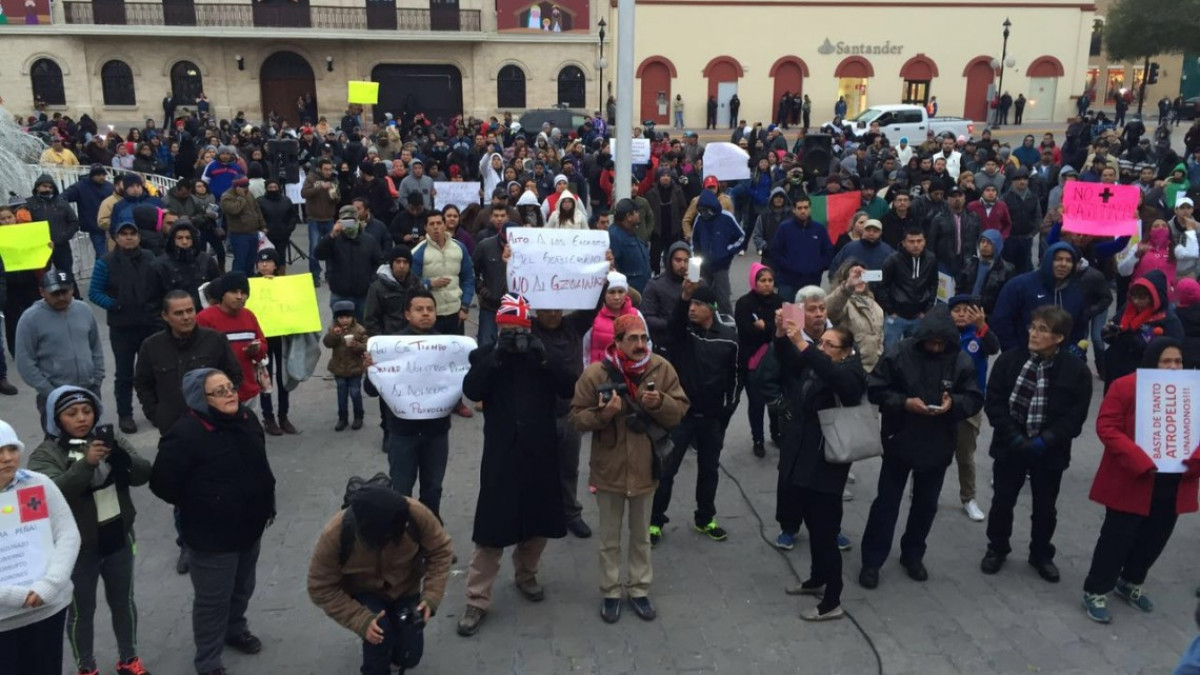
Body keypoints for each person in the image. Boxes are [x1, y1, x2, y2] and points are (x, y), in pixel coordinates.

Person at [456, 294, 577, 636]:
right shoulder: (484, 355)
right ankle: (476, 599)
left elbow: (568, 385)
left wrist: (543, 357)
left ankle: (527, 574)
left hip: (540, 452)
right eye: (508, 329)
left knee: (538, 522)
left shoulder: (540, 354)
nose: (514, 335)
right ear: (498, 327)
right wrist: (495, 356)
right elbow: (471, 389)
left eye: (519, 327)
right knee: (491, 531)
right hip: (501, 455)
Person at [150, 368, 276, 675]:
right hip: (211, 536)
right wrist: (202, 504)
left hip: (251, 525)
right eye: (219, 391)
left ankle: (236, 629)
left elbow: (260, 464)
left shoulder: (247, 420)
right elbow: (162, 483)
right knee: (212, 600)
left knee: (243, 586)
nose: (230, 394)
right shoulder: (185, 433)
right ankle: (208, 660)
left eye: (230, 387)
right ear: (200, 399)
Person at [570, 314, 689, 623]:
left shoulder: (661, 368)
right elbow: (576, 418)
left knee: (640, 536)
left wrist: (659, 402)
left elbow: (679, 411)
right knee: (609, 538)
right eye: (633, 339)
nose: (640, 345)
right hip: (609, 468)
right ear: (617, 342)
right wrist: (602, 414)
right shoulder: (596, 374)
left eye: (643, 339)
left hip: (646, 468)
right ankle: (610, 592)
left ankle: (639, 589)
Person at [27, 386, 153, 675]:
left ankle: (129, 658)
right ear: (56, 419)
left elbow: (143, 473)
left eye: (87, 411)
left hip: (118, 538)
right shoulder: (45, 454)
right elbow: (51, 494)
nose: (82, 418)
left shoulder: (110, 438)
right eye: (71, 414)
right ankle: (86, 666)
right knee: (81, 613)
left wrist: (123, 459)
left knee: (124, 603)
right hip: (77, 549)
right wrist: (87, 463)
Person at [859, 306, 983, 589]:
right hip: (900, 439)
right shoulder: (899, 353)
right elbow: (876, 389)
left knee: (926, 505)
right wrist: (904, 403)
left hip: (938, 443)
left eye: (941, 343)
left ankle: (913, 554)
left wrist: (954, 405)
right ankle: (872, 560)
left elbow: (974, 397)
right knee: (886, 504)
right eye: (932, 342)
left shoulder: (960, 360)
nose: (936, 347)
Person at [1083, 339, 1199, 624]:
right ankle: (1096, 589)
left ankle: (1131, 581)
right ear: (1151, 361)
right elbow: (1107, 426)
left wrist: (1194, 461)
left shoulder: (1192, 392)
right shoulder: (1126, 386)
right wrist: (1140, 460)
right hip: (1133, 478)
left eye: (1178, 362)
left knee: (1155, 537)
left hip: (1174, 481)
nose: (1173, 367)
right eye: (1166, 361)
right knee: (1117, 536)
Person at [761, 319, 867, 621]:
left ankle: (832, 600)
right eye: (822, 343)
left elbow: (839, 382)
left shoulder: (851, 374)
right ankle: (816, 579)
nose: (823, 349)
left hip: (826, 463)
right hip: (802, 457)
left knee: (825, 532)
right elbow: (792, 361)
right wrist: (781, 335)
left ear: (847, 352)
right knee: (810, 521)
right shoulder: (815, 365)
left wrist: (805, 345)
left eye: (830, 345)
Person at [981, 305, 1093, 582]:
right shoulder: (1009, 360)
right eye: (1033, 327)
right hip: (1011, 445)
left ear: (1059, 337)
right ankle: (997, 548)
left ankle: (1041, 553)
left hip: (1049, 451)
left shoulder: (1076, 370)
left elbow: (1075, 416)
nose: (1034, 333)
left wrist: (1047, 439)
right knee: (1002, 501)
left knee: (1045, 507)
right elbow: (994, 402)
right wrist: (1014, 436)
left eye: (1043, 329)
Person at [306, 484, 453, 675]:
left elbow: (441, 550)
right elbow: (319, 587)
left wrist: (431, 596)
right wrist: (360, 619)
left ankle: (396, 656)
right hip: (364, 590)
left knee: (410, 656)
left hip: (406, 587)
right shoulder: (335, 533)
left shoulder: (415, 514)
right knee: (379, 636)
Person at [650, 283, 739, 545]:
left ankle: (705, 518)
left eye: (698, 305)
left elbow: (735, 376)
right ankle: (655, 521)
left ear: (711, 309)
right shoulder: (683, 334)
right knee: (667, 470)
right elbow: (673, 325)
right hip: (681, 416)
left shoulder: (728, 338)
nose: (692, 309)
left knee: (709, 471)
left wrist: (727, 410)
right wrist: (683, 297)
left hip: (712, 418)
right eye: (691, 304)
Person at [0, 419, 81, 675]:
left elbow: (68, 534)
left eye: (12, 449)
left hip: (46, 608)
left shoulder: (38, 483)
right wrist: (15, 596)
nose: (7, 458)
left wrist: (49, 585)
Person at [370, 290, 453, 518]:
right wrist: (369, 368)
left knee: (433, 490)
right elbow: (371, 390)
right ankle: (403, 543)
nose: (425, 314)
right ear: (407, 314)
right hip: (402, 433)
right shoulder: (391, 346)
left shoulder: (449, 346)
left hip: (436, 432)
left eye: (430, 309)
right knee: (401, 491)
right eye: (419, 309)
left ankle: (431, 541)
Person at [530, 300, 602, 540]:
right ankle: (539, 513)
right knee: (537, 469)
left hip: (570, 413)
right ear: (536, 311)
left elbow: (593, 306)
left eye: (556, 310)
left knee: (569, 468)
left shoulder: (573, 326)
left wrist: (603, 274)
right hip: (538, 416)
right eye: (546, 310)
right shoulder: (528, 329)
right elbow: (508, 304)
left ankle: (571, 513)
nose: (552, 315)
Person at [89, 220, 165, 434]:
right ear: (116, 237)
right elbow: (94, 292)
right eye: (124, 234)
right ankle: (125, 414)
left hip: (150, 323)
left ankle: (155, 410)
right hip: (122, 327)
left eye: (133, 233)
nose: (129, 237)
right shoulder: (106, 262)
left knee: (152, 370)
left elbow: (160, 285)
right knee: (124, 374)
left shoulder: (150, 258)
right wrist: (115, 304)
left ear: (139, 237)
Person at [134, 290, 242, 434]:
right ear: (165, 316)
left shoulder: (215, 340)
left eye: (190, 311)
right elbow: (143, 383)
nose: (186, 317)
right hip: (172, 427)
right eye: (178, 313)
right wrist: (156, 414)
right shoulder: (151, 346)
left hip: (214, 425)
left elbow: (235, 375)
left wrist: (222, 407)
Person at [16, 269, 105, 416]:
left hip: (89, 390)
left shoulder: (84, 310)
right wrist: (50, 392)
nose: (61, 297)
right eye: (55, 294)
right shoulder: (30, 319)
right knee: (58, 438)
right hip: (54, 395)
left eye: (65, 292)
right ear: (42, 292)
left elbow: (95, 347)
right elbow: (25, 362)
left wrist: (97, 378)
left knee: (92, 436)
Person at [945, 295, 1000, 522]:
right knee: (932, 449)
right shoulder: (941, 333)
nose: (960, 314)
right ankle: (919, 487)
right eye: (956, 309)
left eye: (967, 310)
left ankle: (969, 497)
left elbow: (994, 347)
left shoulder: (979, 335)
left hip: (970, 403)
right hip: (942, 399)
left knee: (965, 455)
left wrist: (982, 326)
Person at [992, 242, 1095, 351]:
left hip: (1060, 361)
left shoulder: (1076, 292)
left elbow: (1078, 328)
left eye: (1069, 260)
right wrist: (1013, 351)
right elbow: (1002, 320)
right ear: (1048, 260)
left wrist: (1071, 354)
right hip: (1022, 356)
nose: (1063, 264)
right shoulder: (1020, 285)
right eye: (1058, 259)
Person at [1101, 270, 1183, 391]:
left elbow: (1175, 349)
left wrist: (1144, 344)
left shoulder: (1168, 320)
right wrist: (1108, 333)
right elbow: (1114, 327)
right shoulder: (1127, 309)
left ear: (1155, 297)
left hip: (1145, 378)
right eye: (1133, 296)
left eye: (1142, 297)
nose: (1136, 301)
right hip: (1117, 373)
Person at [196, 272, 267, 409]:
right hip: (219, 396)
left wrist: (257, 349)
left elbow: (263, 346)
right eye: (234, 292)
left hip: (248, 391)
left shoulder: (249, 315)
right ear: (223, 293)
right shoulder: (205, 318)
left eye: (244, 292)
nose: (239, 297)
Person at [412, 209, 475, 338]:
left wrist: (465, 306)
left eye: (439, 223)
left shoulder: (459, 248)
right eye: (432, 224)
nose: (436, 227)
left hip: (455, 313)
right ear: (425, 227)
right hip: (431, 316)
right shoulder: (418, 252)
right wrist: (429, 283)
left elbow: (468, 278)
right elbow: (410, 283)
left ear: (444, 225)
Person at [315, 209, 384, 321]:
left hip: (363, 295)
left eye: (351, 221)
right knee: (340, 331)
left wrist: (371, 281)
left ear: (357, 221)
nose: (348, 225)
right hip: (340, 294)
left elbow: (379, 263)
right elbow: (318, 254)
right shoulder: (333, 239)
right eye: (345, 221)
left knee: (363, 329)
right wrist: (332, 235)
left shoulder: (369, 240)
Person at [878, 226, 939, 349]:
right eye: (911, 241)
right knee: (890, 352)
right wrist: (890, 310)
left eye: (919, 241)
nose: (916, 245)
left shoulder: (931, 259)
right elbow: (881, 286)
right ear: (904, 243)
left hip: (919, 316)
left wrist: (926, 309)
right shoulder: (892, 260)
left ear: (924, 242)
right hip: (896, 316)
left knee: (916, 353)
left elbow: (933, 284)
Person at [690, 190, 745, 314]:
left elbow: (741, 236)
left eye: (707, 209)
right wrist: (696, 259)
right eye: (702, 210)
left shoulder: (726, 217)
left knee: (723, 299)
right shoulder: (699, 220)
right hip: (704, 266)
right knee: (702, 298)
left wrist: (728, 251)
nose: (705, 213)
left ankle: (728, 326)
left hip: (721, 265)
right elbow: (694, 241)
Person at [769, 196, 832, 303]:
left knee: (811, 313)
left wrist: (817, 267)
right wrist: (788, 266)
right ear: (794, 210)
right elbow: (775, 252)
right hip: (788, 282)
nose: (803, 211)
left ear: (810, 209)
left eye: (806, 207)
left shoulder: (819, 229)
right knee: (790, 316)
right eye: (799, 208)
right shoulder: (784, 228)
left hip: (812, 281)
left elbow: (828, 252)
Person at [826, 262, 885, 373]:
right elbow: (830, 310)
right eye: (855, 276)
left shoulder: (875, 306)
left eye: (862, 276)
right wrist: (847, 287)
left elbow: (880, 340)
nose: (859, 280)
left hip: (875, 369)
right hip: (852, 368)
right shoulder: (843, 302)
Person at [156, 219, 221, 310]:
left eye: (188, 238)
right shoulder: (161, 264)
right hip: (174, 314)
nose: (184, 242)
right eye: (179, 238)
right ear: (172, 240)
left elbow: (217, 290)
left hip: (203, 313)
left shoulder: (206, 260)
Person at [26, 173, 80, 281]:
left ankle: (74, 296)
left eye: (50, 187)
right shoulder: (28, 204)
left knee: (66, 275)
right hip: (40, 247)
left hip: (61, 246)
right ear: (37, 187)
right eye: (45, 186)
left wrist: (62, 237)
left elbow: (74, 222)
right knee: (41, 277)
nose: (48, 189)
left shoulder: (62, 203)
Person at [324, 300, 368, 431]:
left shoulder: (359, 330)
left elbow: (366, 347)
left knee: (355, 393)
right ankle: (342, 418)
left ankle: (358, 416)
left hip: (355, 368)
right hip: (339, 368)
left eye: (347, 317)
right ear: (337, 318)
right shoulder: (334, 329)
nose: (344, 320)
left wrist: (356, 345)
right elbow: (327, 343)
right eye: (341, 317)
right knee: (341, 394)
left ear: (353, 317)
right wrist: (334, 335)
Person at [364, 246, 422, 337]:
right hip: (389, 339)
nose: (401, 266)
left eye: (405, 262)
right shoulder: (377, 287)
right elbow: (371, 319)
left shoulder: (416, 285)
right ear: (391, 264)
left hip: (413, 337)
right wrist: (380, 341)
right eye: (398, 262)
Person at [62, 164, 115, 260]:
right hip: (94, 226)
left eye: (103, 175)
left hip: (108, 226)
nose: (102, 177)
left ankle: (100, 273)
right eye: (98, 175)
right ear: (92, 175)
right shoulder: (81, 186)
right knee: (103, 255)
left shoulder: (109, 186)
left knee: (104, 255)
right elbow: (64, 197)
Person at [302, 158, 341, 286]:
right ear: (320, 169)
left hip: (329, 218)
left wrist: (334, 196)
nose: (328, 172)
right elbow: (304, 193)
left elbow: (338, 198)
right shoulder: (312, 178)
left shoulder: (334, 180)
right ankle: (314, 275)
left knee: (331, 247)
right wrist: (320, 187)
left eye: (330, 169)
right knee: (314, 248)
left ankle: (330, 274)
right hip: (314, 219)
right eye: (326, 169)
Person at [956, 230, 1013, 316]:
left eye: (989, 243)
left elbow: (1004, 299)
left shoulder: (1006, 270)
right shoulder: (970, 263)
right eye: (982, 241)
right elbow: (959, 288)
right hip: (966, 311)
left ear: (997, 246)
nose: (984, 245)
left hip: (989, 314)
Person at [220, 177, 267, 276]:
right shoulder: (227, 197)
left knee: (251, 261)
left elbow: (256, 209)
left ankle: (250, 280)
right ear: (237, 188)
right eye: (244, 187)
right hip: (239, 234)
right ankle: (237, 281)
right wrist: (241, 197)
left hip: (253, 233)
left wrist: (262, 225)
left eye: (247, 186)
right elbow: (234, 210)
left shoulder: (249, 194)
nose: (247, 189)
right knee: (240, 261)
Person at [608, 199, 652, 293]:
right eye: (636, 212)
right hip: (630, 291)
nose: (639, 215)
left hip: (642, 290)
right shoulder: (614, 236)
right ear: (628, 216)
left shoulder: (629, 232)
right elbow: (614, 266)